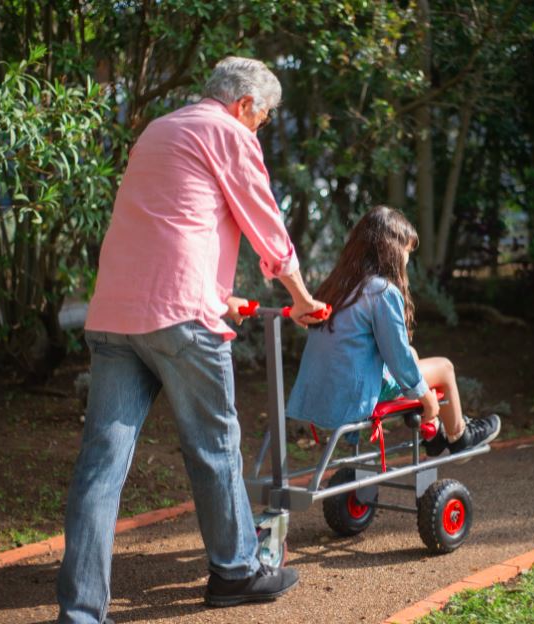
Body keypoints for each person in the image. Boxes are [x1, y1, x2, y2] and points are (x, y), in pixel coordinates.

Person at [57, 56, 326, 624]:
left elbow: (169, 221)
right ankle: (236, 572)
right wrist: (301, 298)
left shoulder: (161, 128)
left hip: (116, 313)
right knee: (214, 446)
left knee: (99, 467)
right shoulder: (226, 131)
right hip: (180, 318)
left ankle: (80, 613)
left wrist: (214, 289)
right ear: (244, 104)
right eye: (265, 117)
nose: (262, 128)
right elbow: (265, 224)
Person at [287, 206, 500, 456]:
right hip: (354, 395)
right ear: (392, 250)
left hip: (320, 390)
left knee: (412, 353)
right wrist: (425, 396)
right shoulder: (380, 291)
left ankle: (433, 431)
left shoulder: (337, 285)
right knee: (444, 368)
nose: (408, 259)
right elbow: (396, 356)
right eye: (407, 251)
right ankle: (458, 434)